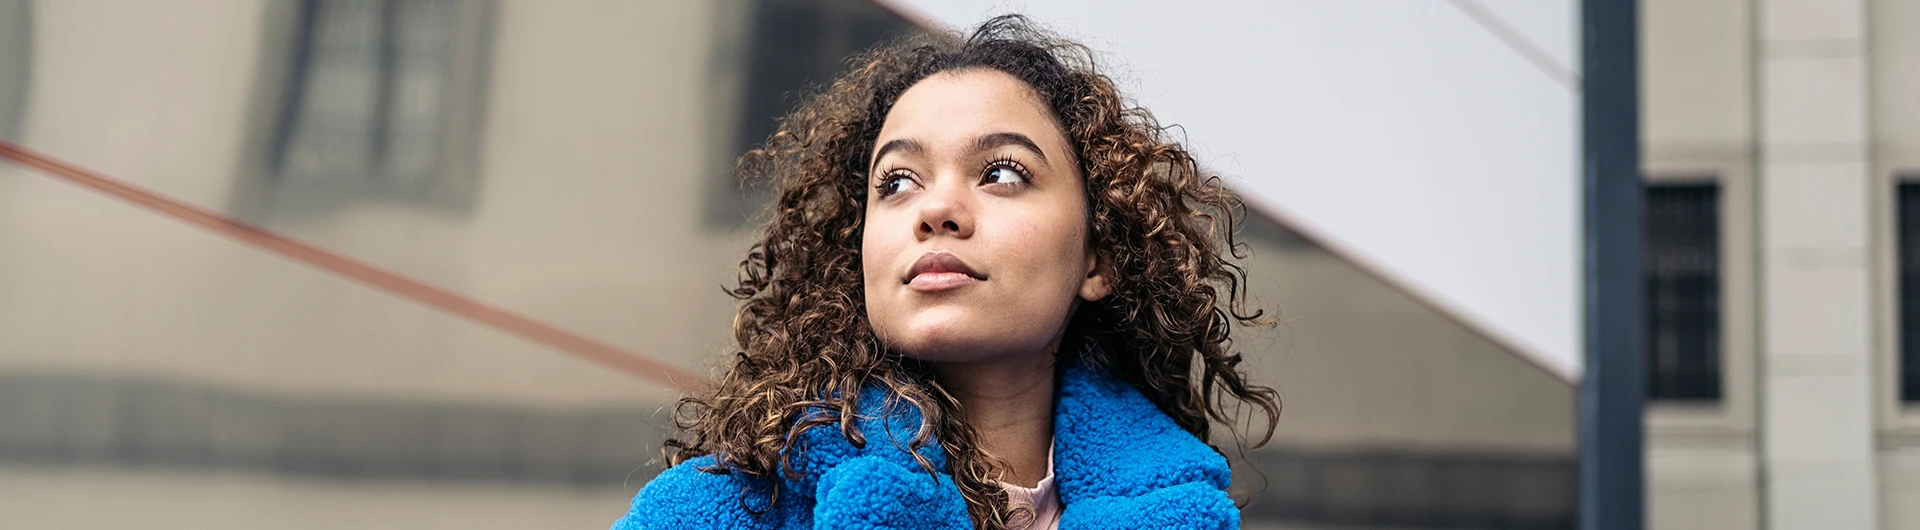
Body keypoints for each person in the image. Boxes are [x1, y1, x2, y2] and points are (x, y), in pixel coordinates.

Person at [611, 15, 1279, 530]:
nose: (936, 209)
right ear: (859, 252)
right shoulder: (715, 510)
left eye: (1003, 173)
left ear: (1099, 257)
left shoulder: (1185, 507)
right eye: (897, 182)